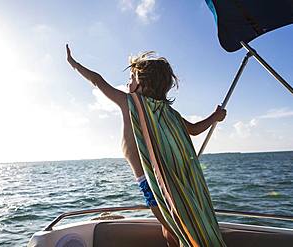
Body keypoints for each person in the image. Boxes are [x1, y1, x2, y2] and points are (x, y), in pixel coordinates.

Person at [66, 44, 227, 247]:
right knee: (169, 230)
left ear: (143, 83)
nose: (128, 82)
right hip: (172, 180)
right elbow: (194, 129)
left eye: (132, 78)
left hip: (153, 182)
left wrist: (73, 64)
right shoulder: (170, 113)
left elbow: (97, 81)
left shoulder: (131, 103)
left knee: (175, 231)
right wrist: (215, 117)